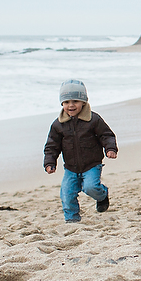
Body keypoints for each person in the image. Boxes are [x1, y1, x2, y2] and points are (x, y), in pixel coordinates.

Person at [43, 79, 118, 222]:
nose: (71, 105)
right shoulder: (58, 125)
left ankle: (102, 195)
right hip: (71, 168)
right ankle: (72, 220)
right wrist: (49, 162)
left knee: (91, 188)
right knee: (66, 194)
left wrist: (110, 148)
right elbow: (52, 145)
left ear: (83, 102)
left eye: (75, 101)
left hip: (92, 165)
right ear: (62, 104)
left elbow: (106, 135)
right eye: (66, 102)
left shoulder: (93, 119)